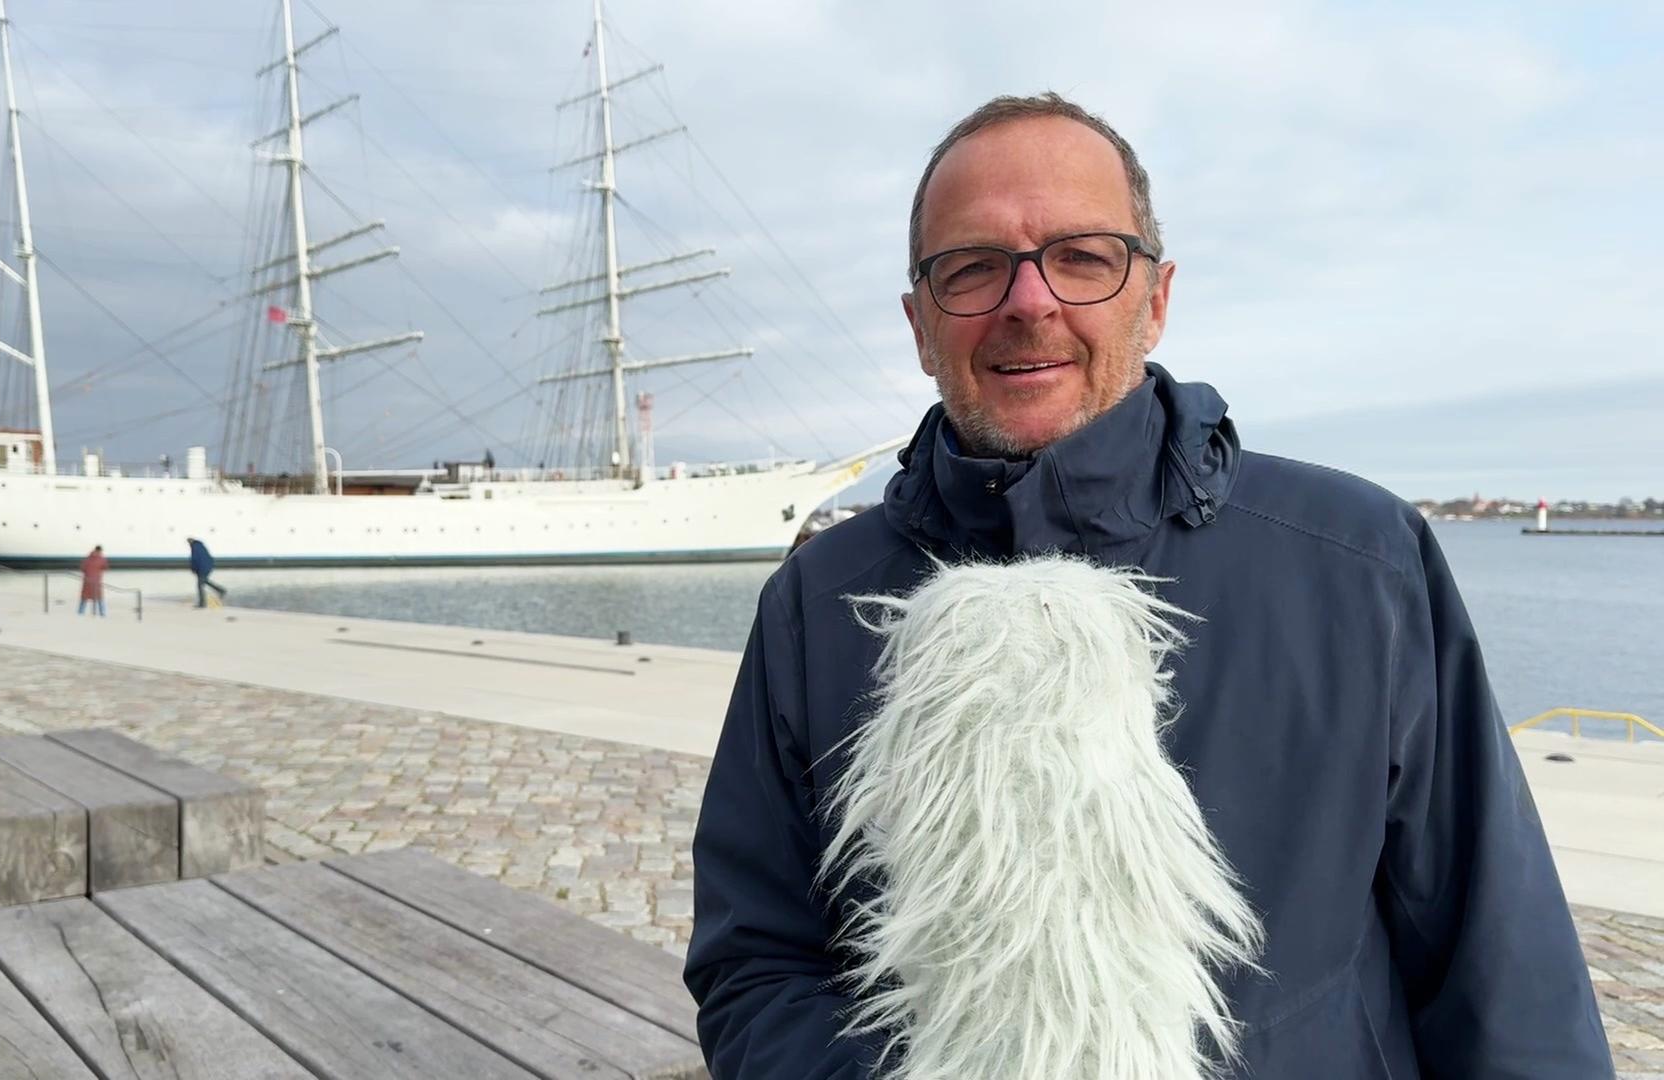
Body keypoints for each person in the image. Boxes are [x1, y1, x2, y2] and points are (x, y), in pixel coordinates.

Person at [684, 94, 1612, 1079]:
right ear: (921, 325)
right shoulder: (815, 602)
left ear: (1156, 298)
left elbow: (1502, 976)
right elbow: (757, 964)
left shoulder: (1361, 560)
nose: (1028, 301)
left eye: (1083, 257)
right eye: (973, 268)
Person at [188, 537, 225, 608]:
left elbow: (195, 560)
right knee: (204, 581)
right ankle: (221, 590)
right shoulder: (200, 546)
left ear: (190, 542)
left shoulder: (194, 548)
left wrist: (193, 569)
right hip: (207, 566)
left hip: (202, 568)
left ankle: (202, 603)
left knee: (200, 585)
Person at [78, 545, 108, 617]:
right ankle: (102, 614)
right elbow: (105, 567)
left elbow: (82, 568)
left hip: (87, 581)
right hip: (96, 581)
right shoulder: (102, 559)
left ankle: (80, 613)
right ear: (100, 551)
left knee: (84, 598)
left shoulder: (88, 558)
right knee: (100, 598)